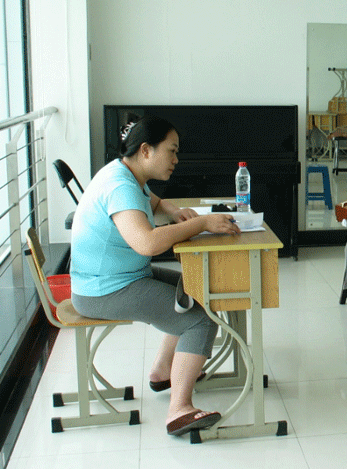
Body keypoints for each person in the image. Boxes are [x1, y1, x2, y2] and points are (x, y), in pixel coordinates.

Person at [70, 116, 242, 437]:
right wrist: (201, 223)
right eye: (172, 151)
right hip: (104, 289)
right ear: (146, 150)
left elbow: (156, 202)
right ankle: (179, 410)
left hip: (113, 279)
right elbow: (146, 243)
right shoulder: (121, 186)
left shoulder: (125, 173)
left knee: (192, 288)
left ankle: (164, 370)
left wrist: (174, 212)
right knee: (199, 320)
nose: (176, 160)